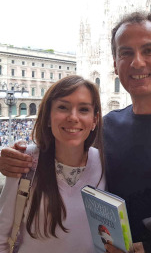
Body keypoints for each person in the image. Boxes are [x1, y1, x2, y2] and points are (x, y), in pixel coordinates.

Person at [0, 12, 151, 253]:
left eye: (149, 50)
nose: (137, 62)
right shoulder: (107, 126)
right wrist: (15, 158)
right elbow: (61, 153)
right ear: (116, 65)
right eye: (126, 53)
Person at [0, 75, 106, 253]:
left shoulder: (104, 162)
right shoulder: (24, 161)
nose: (73, 117)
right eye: (63, 107)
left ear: (94, 120)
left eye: (84, 109)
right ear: (48, 117)